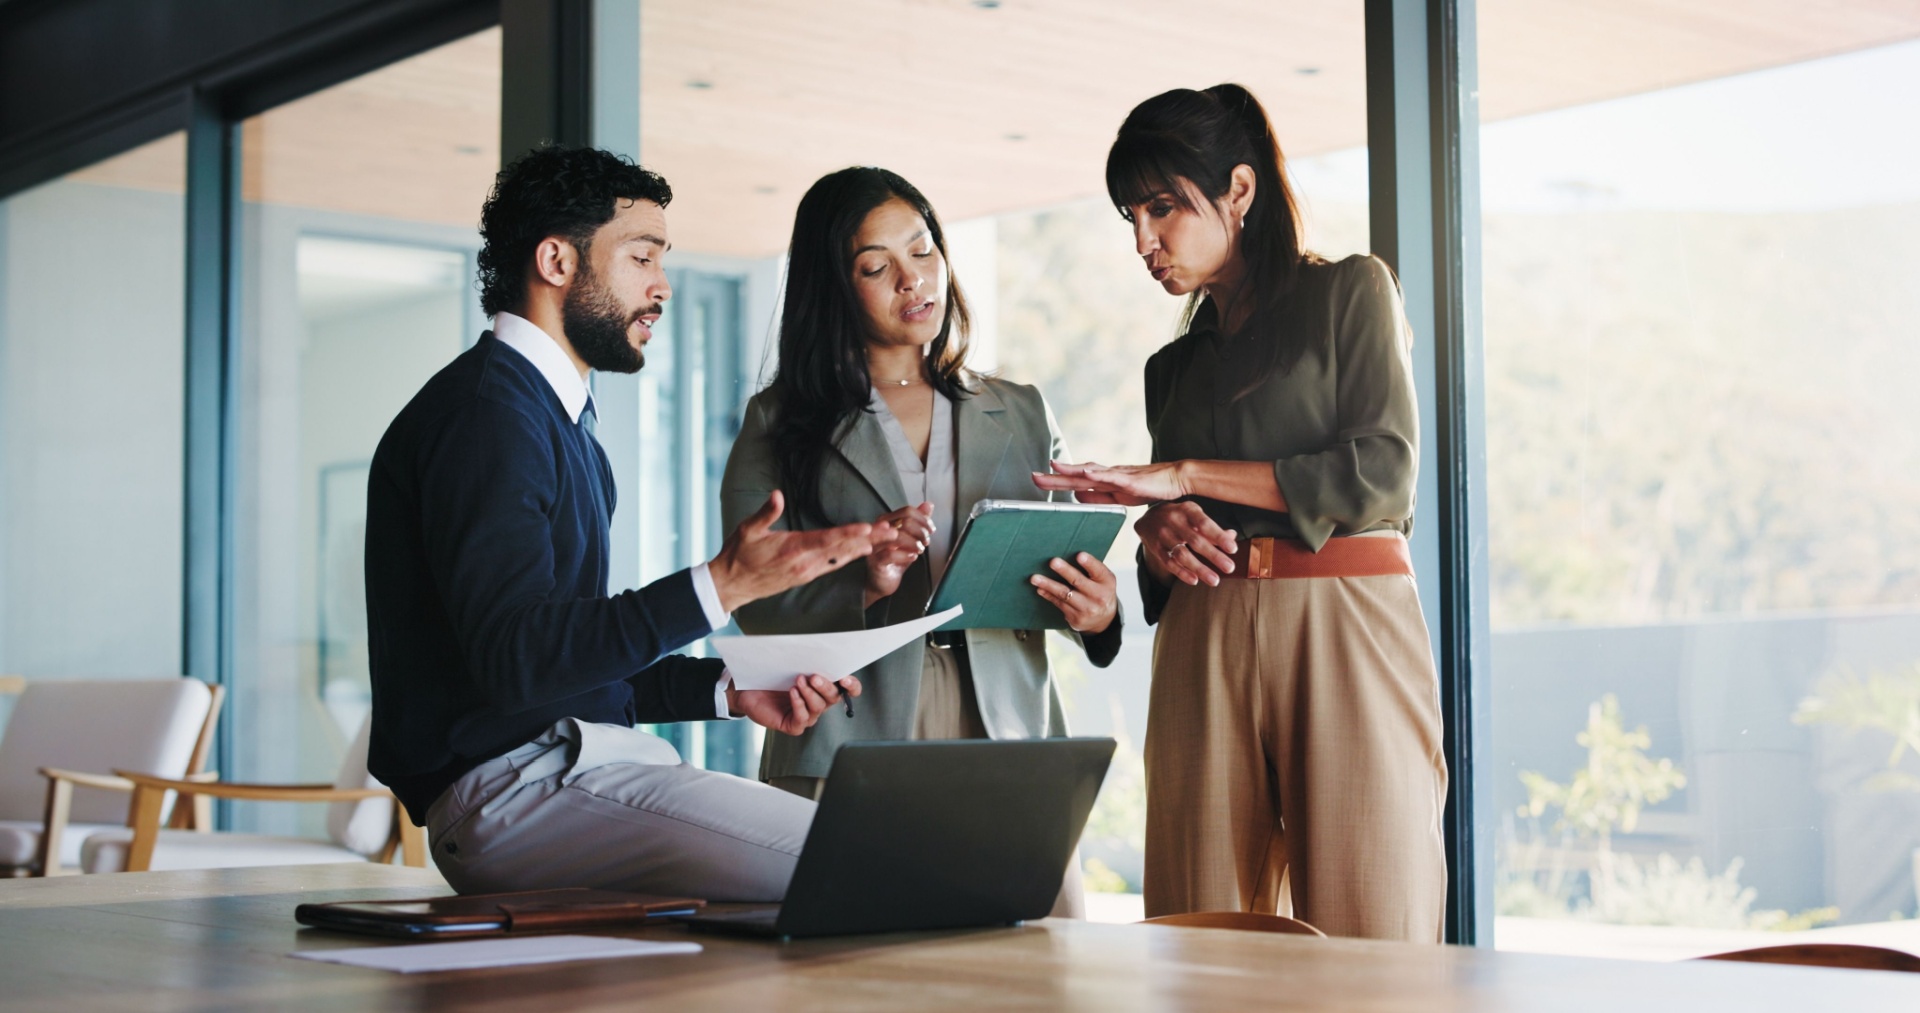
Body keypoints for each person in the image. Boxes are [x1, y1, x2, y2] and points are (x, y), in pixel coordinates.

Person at [365, 146, 881, 901]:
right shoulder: (486, 418)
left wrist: (730, 688)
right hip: (515, 792)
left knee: (867, 862)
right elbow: (517, 661)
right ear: (556, 261)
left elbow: (567, 661)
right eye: (642, 257)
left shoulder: (557, 423)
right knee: (873, 857)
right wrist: (720, 586)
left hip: (578, 768)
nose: (662, 285)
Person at [1034, 84, 1448, 941]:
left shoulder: (1352, 292)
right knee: (1198, 930)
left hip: (1343, 623)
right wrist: (1157, 533)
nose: (1143, 241)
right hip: (1204, 638)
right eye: (1131, 217)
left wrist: (1183, 475)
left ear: (1240, 191)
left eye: (1162, 208)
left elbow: (1384, 474)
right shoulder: (1171, 370)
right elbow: (1169, 558)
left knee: (1374, 928)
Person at [719, 167, 1125, 917]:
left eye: (922, 250)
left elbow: (1069, 562)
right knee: (862, 962)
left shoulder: (1022, 409)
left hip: (1004, 722)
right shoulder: (780, 422)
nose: (913, 279)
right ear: (834, 288)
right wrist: (864, 582)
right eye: (876, 267)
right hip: (852, 724)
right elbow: (747, 593)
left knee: (1032, 964)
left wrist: (1099, 613)